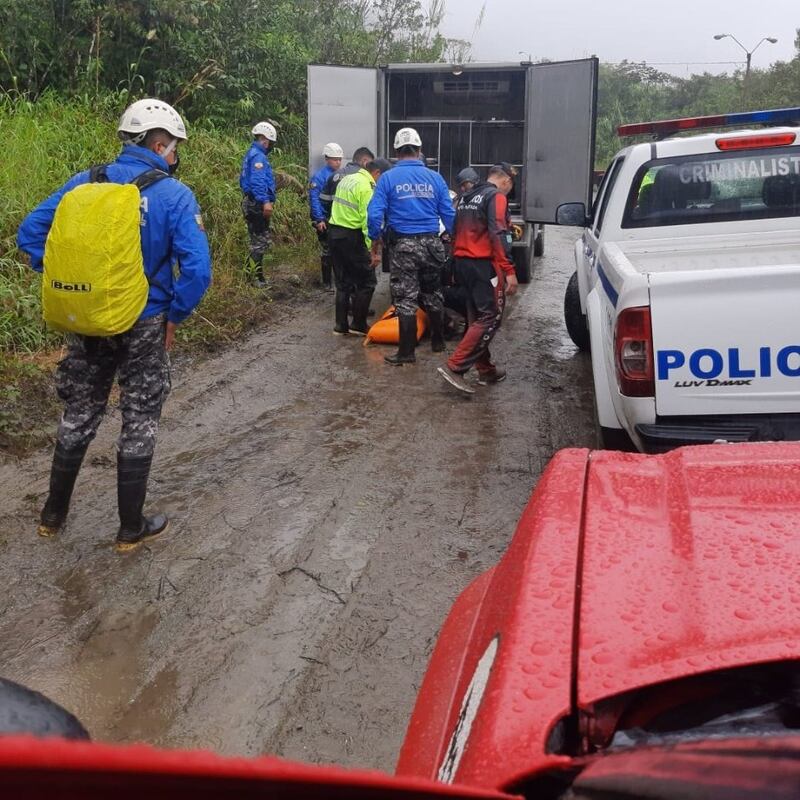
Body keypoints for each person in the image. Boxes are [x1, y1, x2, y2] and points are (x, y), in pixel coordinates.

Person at [17, 98, 212, 552]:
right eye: (175, 147)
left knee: (80, 411)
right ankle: (130, 528)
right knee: (139, 416)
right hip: (145, 320)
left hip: (87, 319)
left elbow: (30, 232)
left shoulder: (84, 182)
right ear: (161, 144)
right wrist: (175, 315)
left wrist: (77, 282)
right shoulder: (173, 194)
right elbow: (197, 270)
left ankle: (52, 516)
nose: (176, 155)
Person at [367, 127, 455, 365]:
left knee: (406, 297)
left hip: (404, 246)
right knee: (432, 292)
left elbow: (375, 214)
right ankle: (438, 341)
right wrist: (456, 240)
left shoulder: (388, 178)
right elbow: (449, 214)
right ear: (419, 150)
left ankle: (407, 352)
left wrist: (376, 238)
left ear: (397, 151)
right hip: (431, 244)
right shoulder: (435, 178)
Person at [437, 162, 519, 395]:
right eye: (509, 186)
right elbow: (498, 232)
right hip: (483, 265)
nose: (508, 191)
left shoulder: (465, 198)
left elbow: (454, 231)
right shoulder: (495, 197)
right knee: (491, 316)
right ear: (506, 181)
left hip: (463, 263)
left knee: (477, 318)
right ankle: (455, 367)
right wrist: (509, 270)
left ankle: (486, 370)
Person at [328, 158, 392, 335]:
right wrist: (372, 251)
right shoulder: (367, 187)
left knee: (343, 282)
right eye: (383, 177)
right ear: (377, 173)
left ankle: (340, 326)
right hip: (352, 236)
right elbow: (368, 220)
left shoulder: (348, 179)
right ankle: (358, 323)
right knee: (367, 281)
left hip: (334, 233)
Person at [240, 121, 277, 288]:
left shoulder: (252, 153)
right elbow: (257, 182)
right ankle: (251, 278)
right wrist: (266, 202)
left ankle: (259, 278)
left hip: (254, 202)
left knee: (260, 241)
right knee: (259, 242)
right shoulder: (258, 156)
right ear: (265, 140)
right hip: (256, 204)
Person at [308, 142, 344, 290]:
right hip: (324, 219)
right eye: (335, 159)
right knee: (327, 250)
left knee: (338, 250)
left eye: (340, 159)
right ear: (327, 159)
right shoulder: (319, 177)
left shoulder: (341, 175)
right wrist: (319, 219)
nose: (338, 162)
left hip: (336, 219)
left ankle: (337, 280)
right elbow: (314, 199)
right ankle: (326, 282)